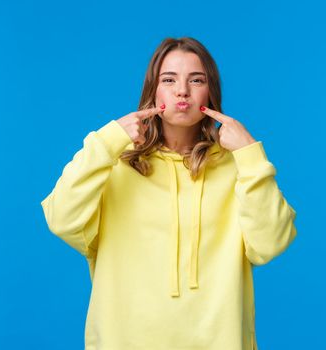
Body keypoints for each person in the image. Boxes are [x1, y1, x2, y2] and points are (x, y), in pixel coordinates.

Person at [40, 36, 297, 350]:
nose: (182, 91)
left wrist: (251, 155)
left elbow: (270, 244)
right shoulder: (116, 163)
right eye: (169, 79)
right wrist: (105, 142)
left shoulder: (238, 167)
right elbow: (61, 220)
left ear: (211, 91)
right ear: (153, 90)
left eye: (196, 80)